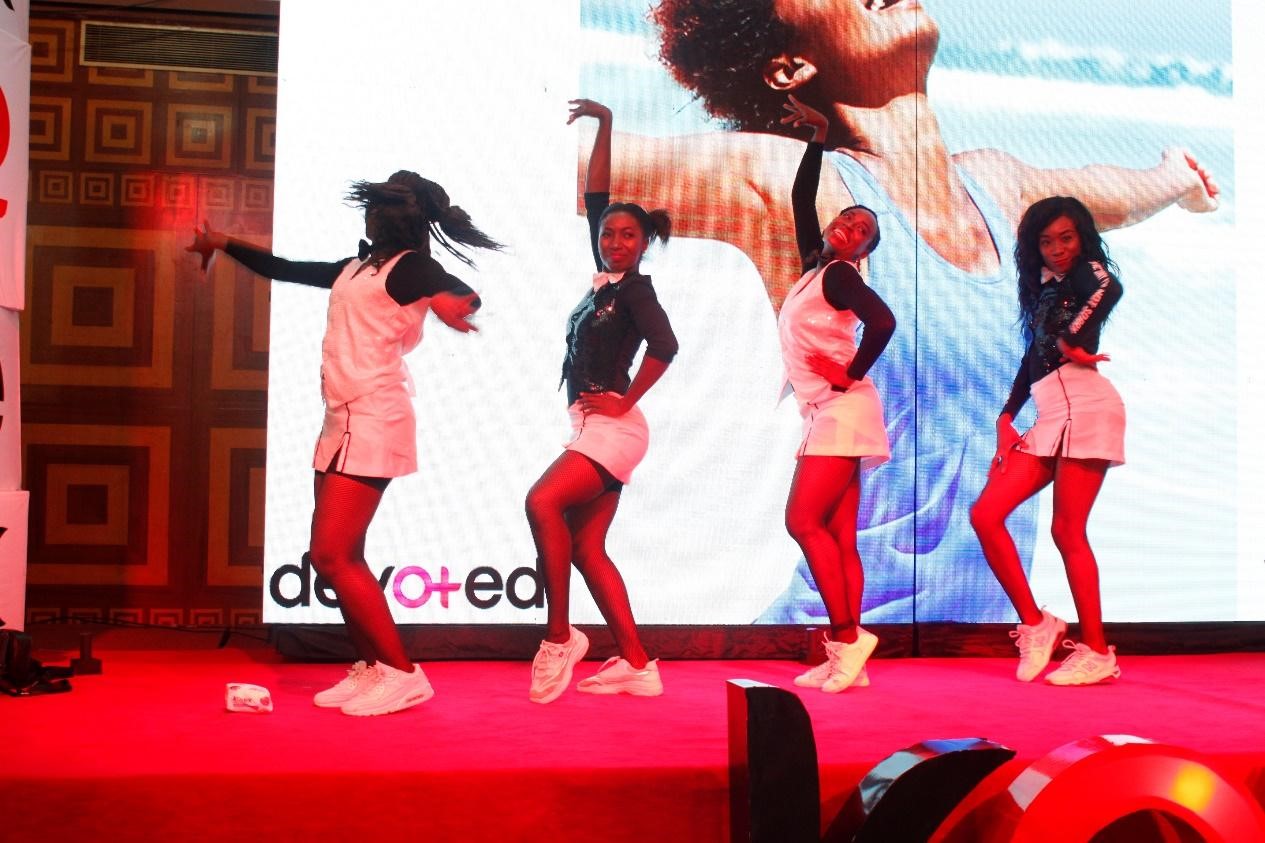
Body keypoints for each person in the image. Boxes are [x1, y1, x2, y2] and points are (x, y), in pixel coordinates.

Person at [571, 0, 1218, 624]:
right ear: (790, 68)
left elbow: (1110, 194)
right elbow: (571, 166)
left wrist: (1176, 179)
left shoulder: (999, 184)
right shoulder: (791, 179)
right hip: (833, 636)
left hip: (981, 645)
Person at [187, 171, 501, 715]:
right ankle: (374, 667)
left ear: (396, 217)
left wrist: (450, 303)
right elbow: (286, 268)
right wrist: (222, 243)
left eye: (378, 208)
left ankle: (404, 673)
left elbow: (464, 294)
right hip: (342, 419)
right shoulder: (357, 268)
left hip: (373, 417)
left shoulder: (410, 268)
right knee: (341, 556)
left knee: (330, 554)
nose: (370, 215)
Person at [522, 98, 679, 704]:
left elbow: (666, 346)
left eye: (627, 235)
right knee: (587, 548)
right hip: (592, 425)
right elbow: (596, 198)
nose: (614, 241)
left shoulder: (636, 291)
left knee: (542, 501)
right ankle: (637, 663)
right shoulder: (606, 281)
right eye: (609, 234)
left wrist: (625, 400)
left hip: (614, 427)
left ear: (644, 243)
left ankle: (559, 636)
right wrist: (605, 125)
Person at [969, 195, 1124, 686]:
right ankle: (1037, 624)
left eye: (1067, 238)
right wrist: (1006, 417)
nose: (1058, 249)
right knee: (986, 515)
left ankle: (1097, 651)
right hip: (1052, 411)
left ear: (1082, 238)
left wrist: (1070, 339)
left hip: (1086, 406)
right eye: (1047, 241)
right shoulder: (1044, 289)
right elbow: (1031, 358)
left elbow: (1110, 286)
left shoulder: (1086, 274)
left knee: (1067, 531)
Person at [779, 95, 895, 692]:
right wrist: (818, 137)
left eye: (864, 231)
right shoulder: (815, 269)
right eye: (848, 217)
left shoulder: (842, 275)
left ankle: (848, 638)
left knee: (803, 521)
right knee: (840, 535)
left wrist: (851, 372)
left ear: (862, 252)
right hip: (834, 411)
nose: (851, 226)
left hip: (842, 409)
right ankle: (850, 657)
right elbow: (803, 199)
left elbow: (884, 323)